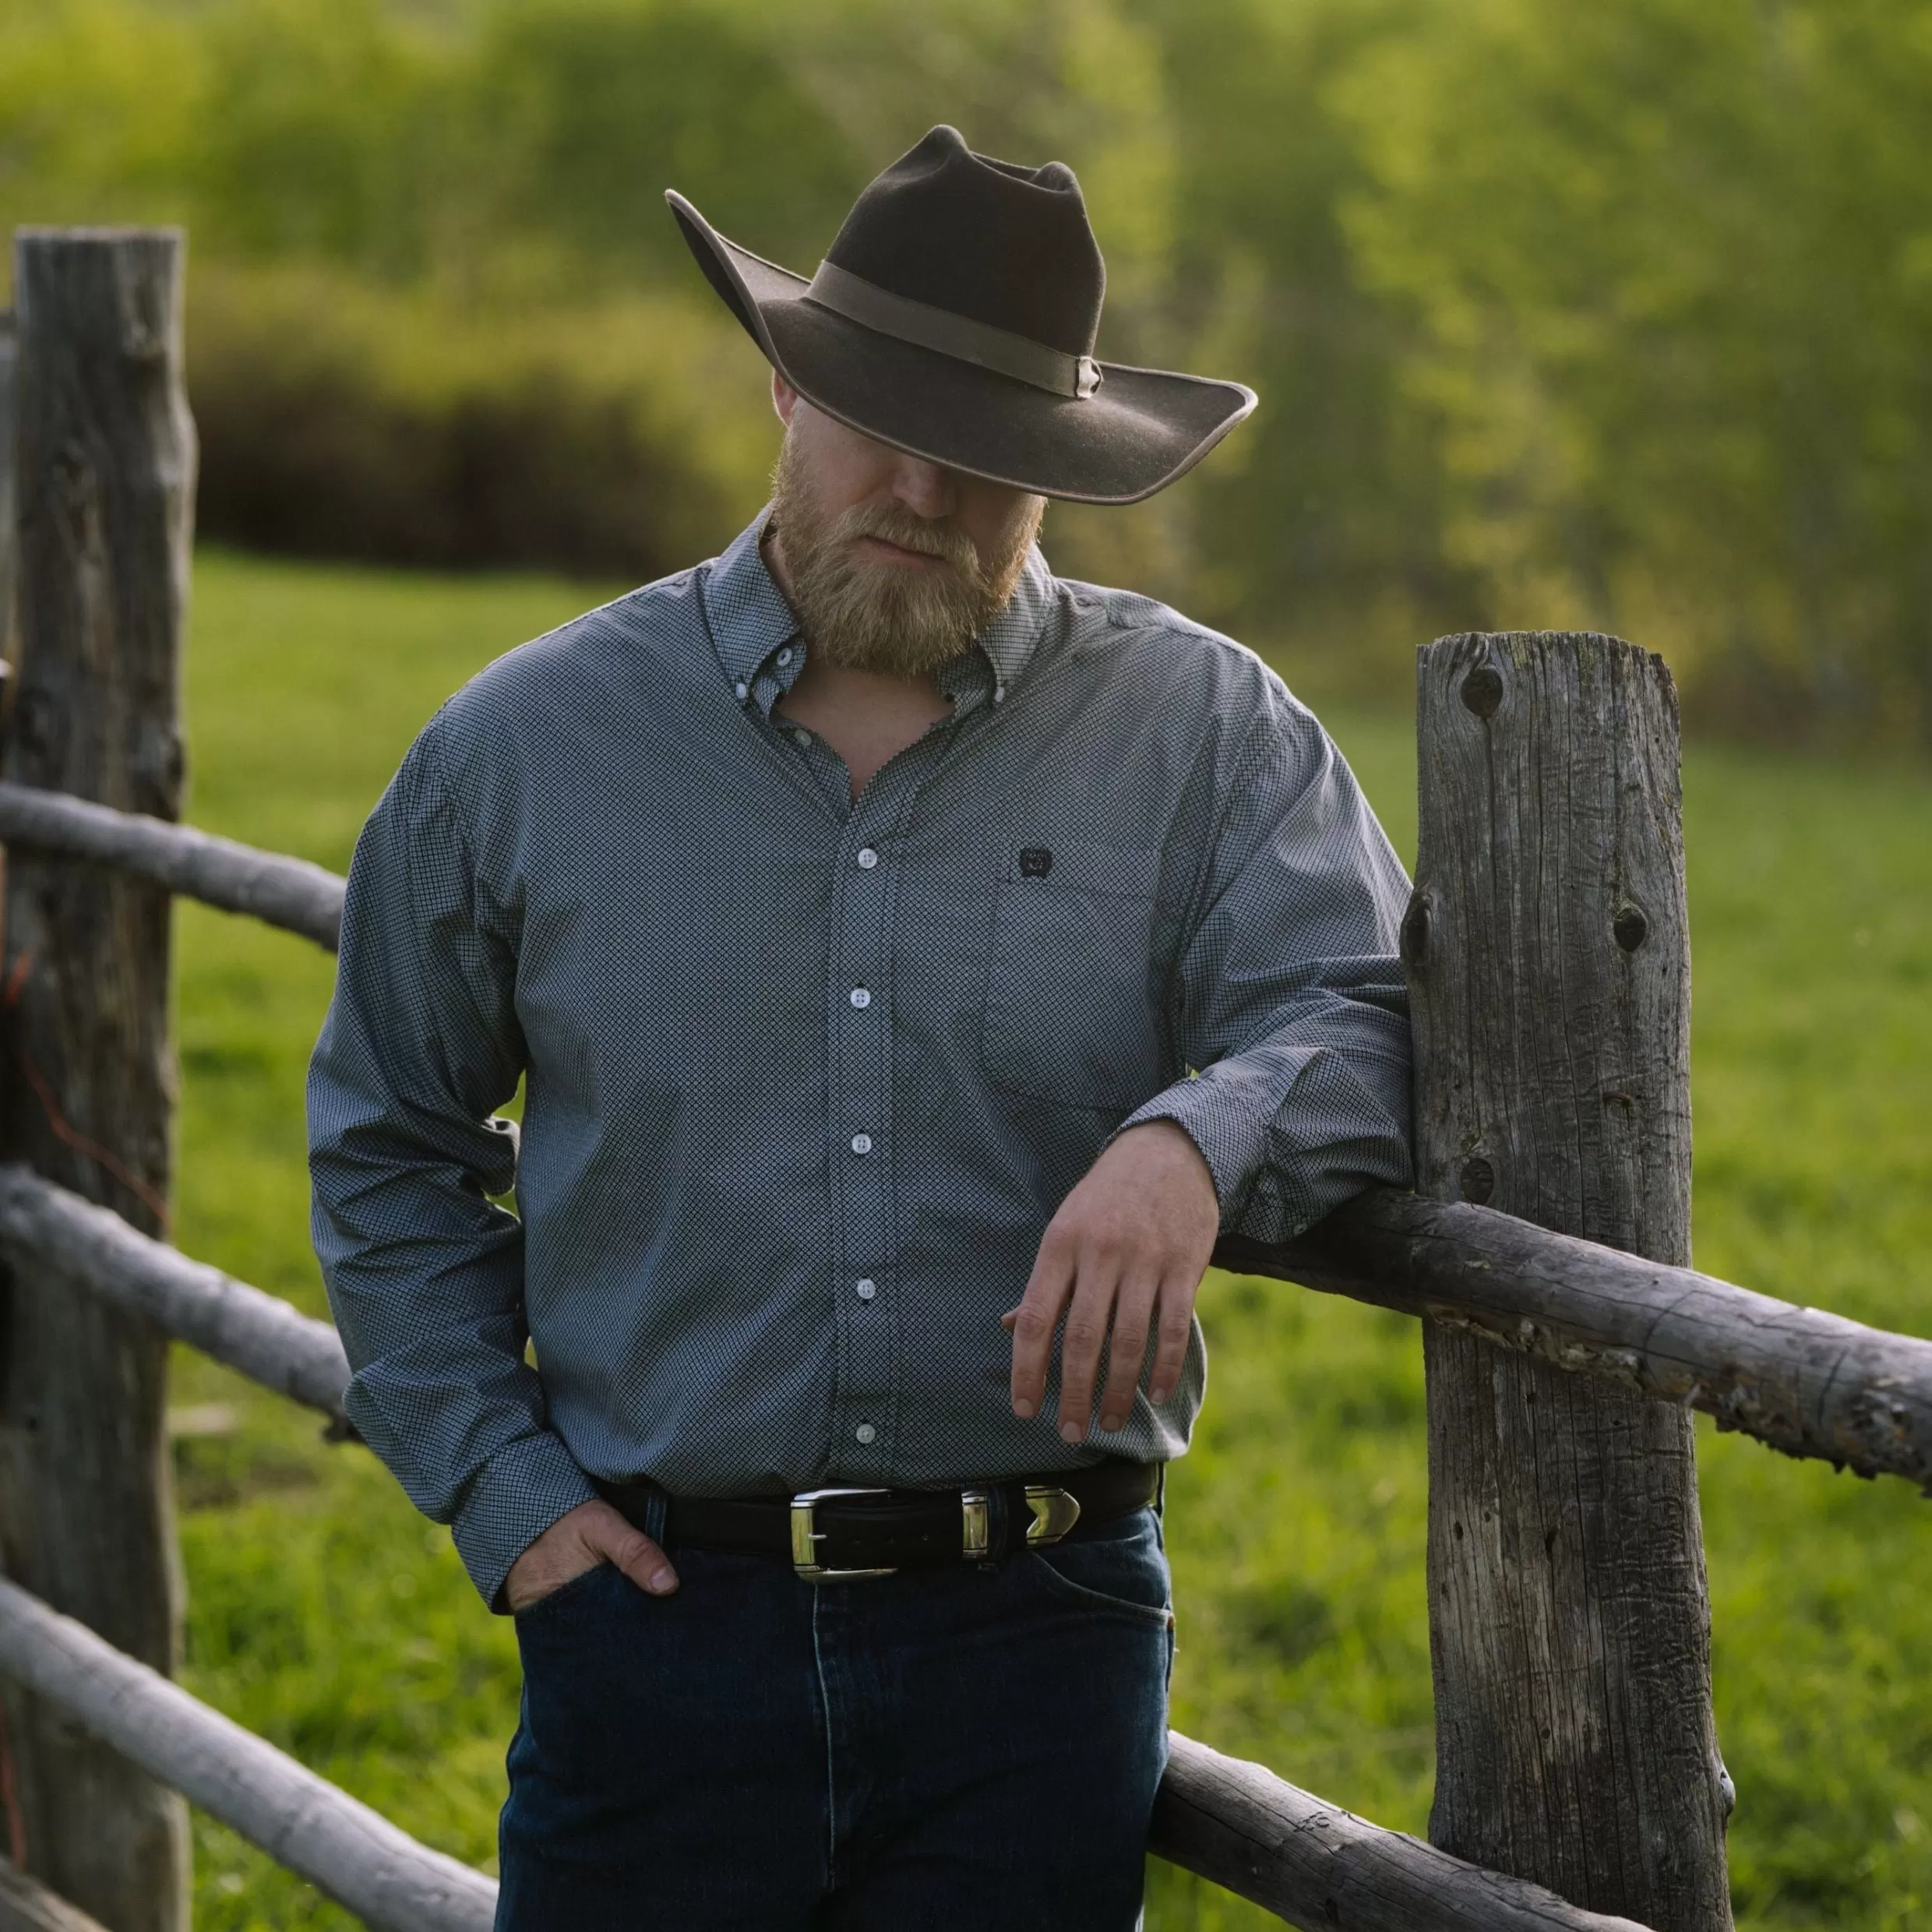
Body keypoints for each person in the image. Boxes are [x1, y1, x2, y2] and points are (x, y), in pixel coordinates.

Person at [307, 124, 1413, 1931]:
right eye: (876, 419)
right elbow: (388, 1141)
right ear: (781, 387)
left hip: (1036, 1649)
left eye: (988, 458)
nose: (921, 485)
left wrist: (1194, 1137)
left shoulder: (1205, 733)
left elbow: (1362, 1011)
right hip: (652, 1629)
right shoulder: (525, 748)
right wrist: (508, 1497)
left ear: (1059, 472)